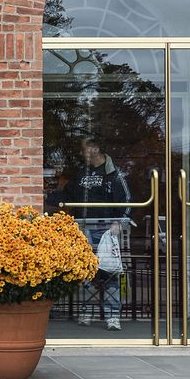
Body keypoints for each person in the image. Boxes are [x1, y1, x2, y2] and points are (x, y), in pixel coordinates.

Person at [67, 137, 131, 330]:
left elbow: (127, 199)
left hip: (107, 229)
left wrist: (118, 222)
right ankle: (87, 311)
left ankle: (112, 316)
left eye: (85, 149)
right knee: (86, 271)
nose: (82, 154)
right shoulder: (81, 174)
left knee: (111, 271)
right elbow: (69, 195)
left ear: (95, 149)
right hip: (84, 226)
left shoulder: (114, 174)